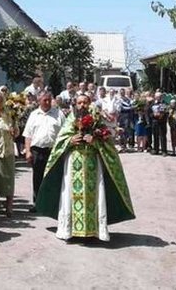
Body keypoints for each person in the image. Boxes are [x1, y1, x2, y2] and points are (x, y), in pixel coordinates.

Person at [36, 94, 135, 241]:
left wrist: (94, 140)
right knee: (70, 192)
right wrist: (70, 140)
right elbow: (60, 140)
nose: (82, 105)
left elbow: (107, 141)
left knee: (96, 194)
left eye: (85, 102)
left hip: (92, 163)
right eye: (80, 102)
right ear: (75, 104)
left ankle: (94, 230)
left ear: (90, 104)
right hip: (73, 162)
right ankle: (69, 230)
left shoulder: (97, 119)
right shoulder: (70, 119)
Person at [23, 91, 65, 211]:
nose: (47, 102)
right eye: (44, 100)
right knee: (38, 178)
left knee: (53, 177)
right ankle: (38, 203)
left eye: (49, 100)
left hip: (53, 151)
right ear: (39, 100)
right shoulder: (34, 115)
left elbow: (65, 133)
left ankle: (53, 204)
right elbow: (28, 135)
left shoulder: (58, 114)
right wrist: (27, 152)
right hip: (37, 151)